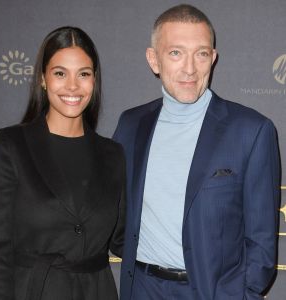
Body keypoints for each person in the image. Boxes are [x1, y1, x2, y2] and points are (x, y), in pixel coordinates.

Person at [113, 4, 280, 300]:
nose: (190, 68)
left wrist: (243, 293)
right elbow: (116, 213)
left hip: (213, 293)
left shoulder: (251, 130)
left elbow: (263, 239)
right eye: (175, 53)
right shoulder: (131, 124)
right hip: (142, 288)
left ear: (213, 59)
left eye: (201, 53)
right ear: (154, 60)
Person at [0, 26, 125, 300]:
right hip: (33, 291)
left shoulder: (113, 154)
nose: (72, 86)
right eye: (60, 73)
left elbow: (123, 239)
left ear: (94, 80)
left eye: (83, 74)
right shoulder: (11, 145)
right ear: (43, 79)